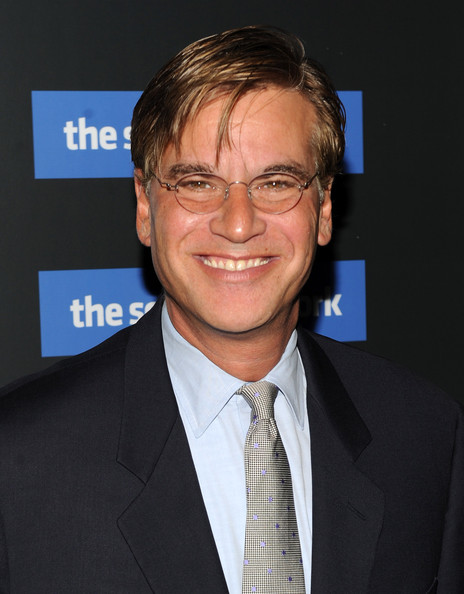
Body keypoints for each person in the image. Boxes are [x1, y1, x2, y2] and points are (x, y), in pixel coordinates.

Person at [0, 25, 462, 594]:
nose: (239, 223)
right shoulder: (17, 458)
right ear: (145, 205)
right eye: (198, 182)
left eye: (276, 182)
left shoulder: (424, 435)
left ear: (323, 208)